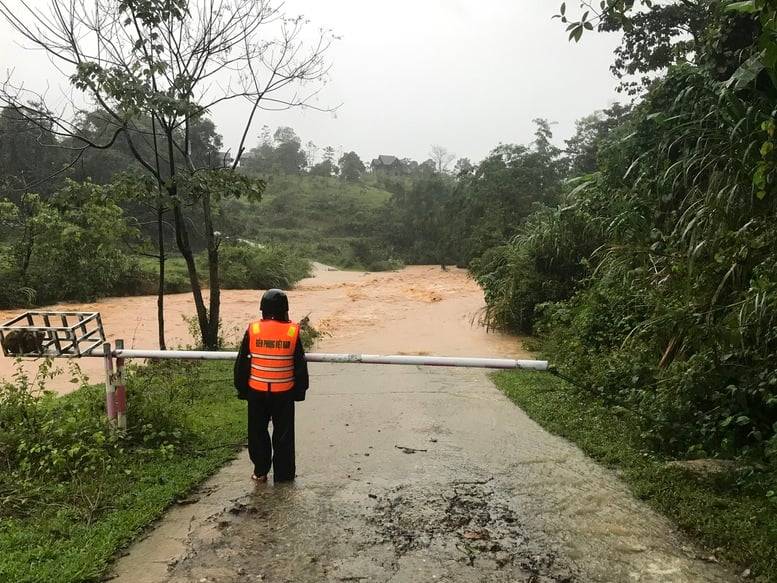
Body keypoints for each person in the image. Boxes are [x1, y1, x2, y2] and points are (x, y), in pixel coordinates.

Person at [233, 288, 309, 483]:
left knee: (257, 432)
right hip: (283, 393)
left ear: (263, 309)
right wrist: (300, 390)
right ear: (285, 309)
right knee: (284, 435)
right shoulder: (292, 331)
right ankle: (283, 475)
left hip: (256, 391)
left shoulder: (254, 330)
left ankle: (260, 471)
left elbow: (243, 363)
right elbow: (299, 364)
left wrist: (241, 388)